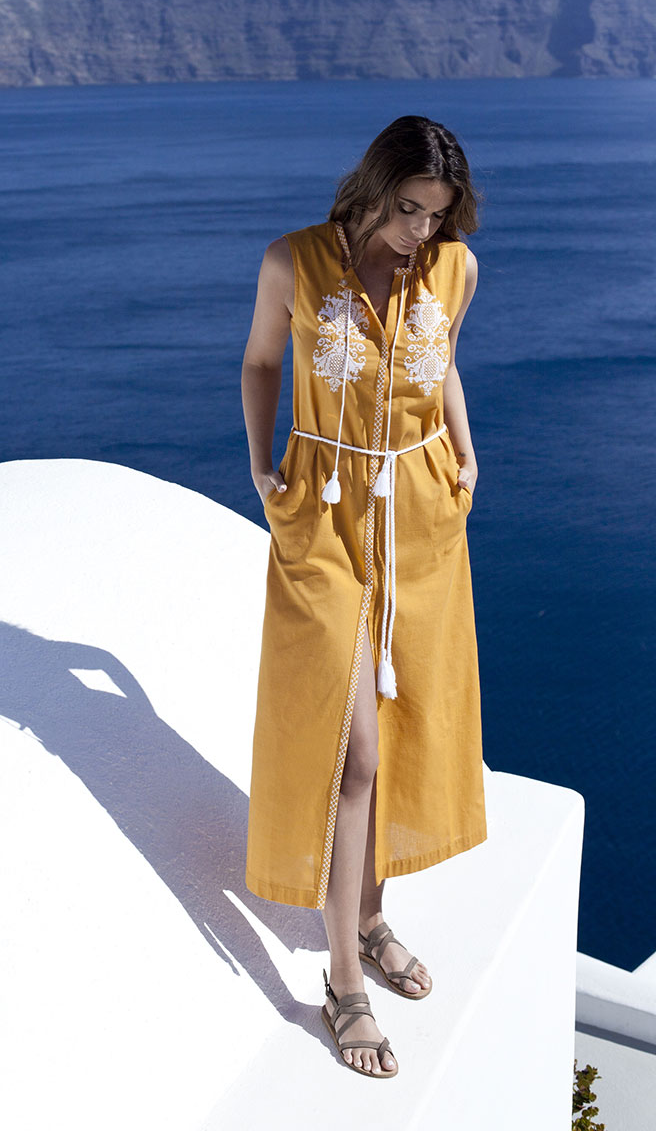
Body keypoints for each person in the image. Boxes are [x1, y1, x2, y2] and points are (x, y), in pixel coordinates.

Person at [240, 115, 488, 1079]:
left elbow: (442, 362)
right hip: (325, 509)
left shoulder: (454, 269)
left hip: (421, 511)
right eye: (407, 209)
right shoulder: (294, 262)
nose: (420, 231)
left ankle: (372, 917)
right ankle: (342, 979)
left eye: (436, 215)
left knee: (406, 724)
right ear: (374, 186)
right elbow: (264, 362)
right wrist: (261, 464)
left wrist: (465, 450)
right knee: (356, 751)